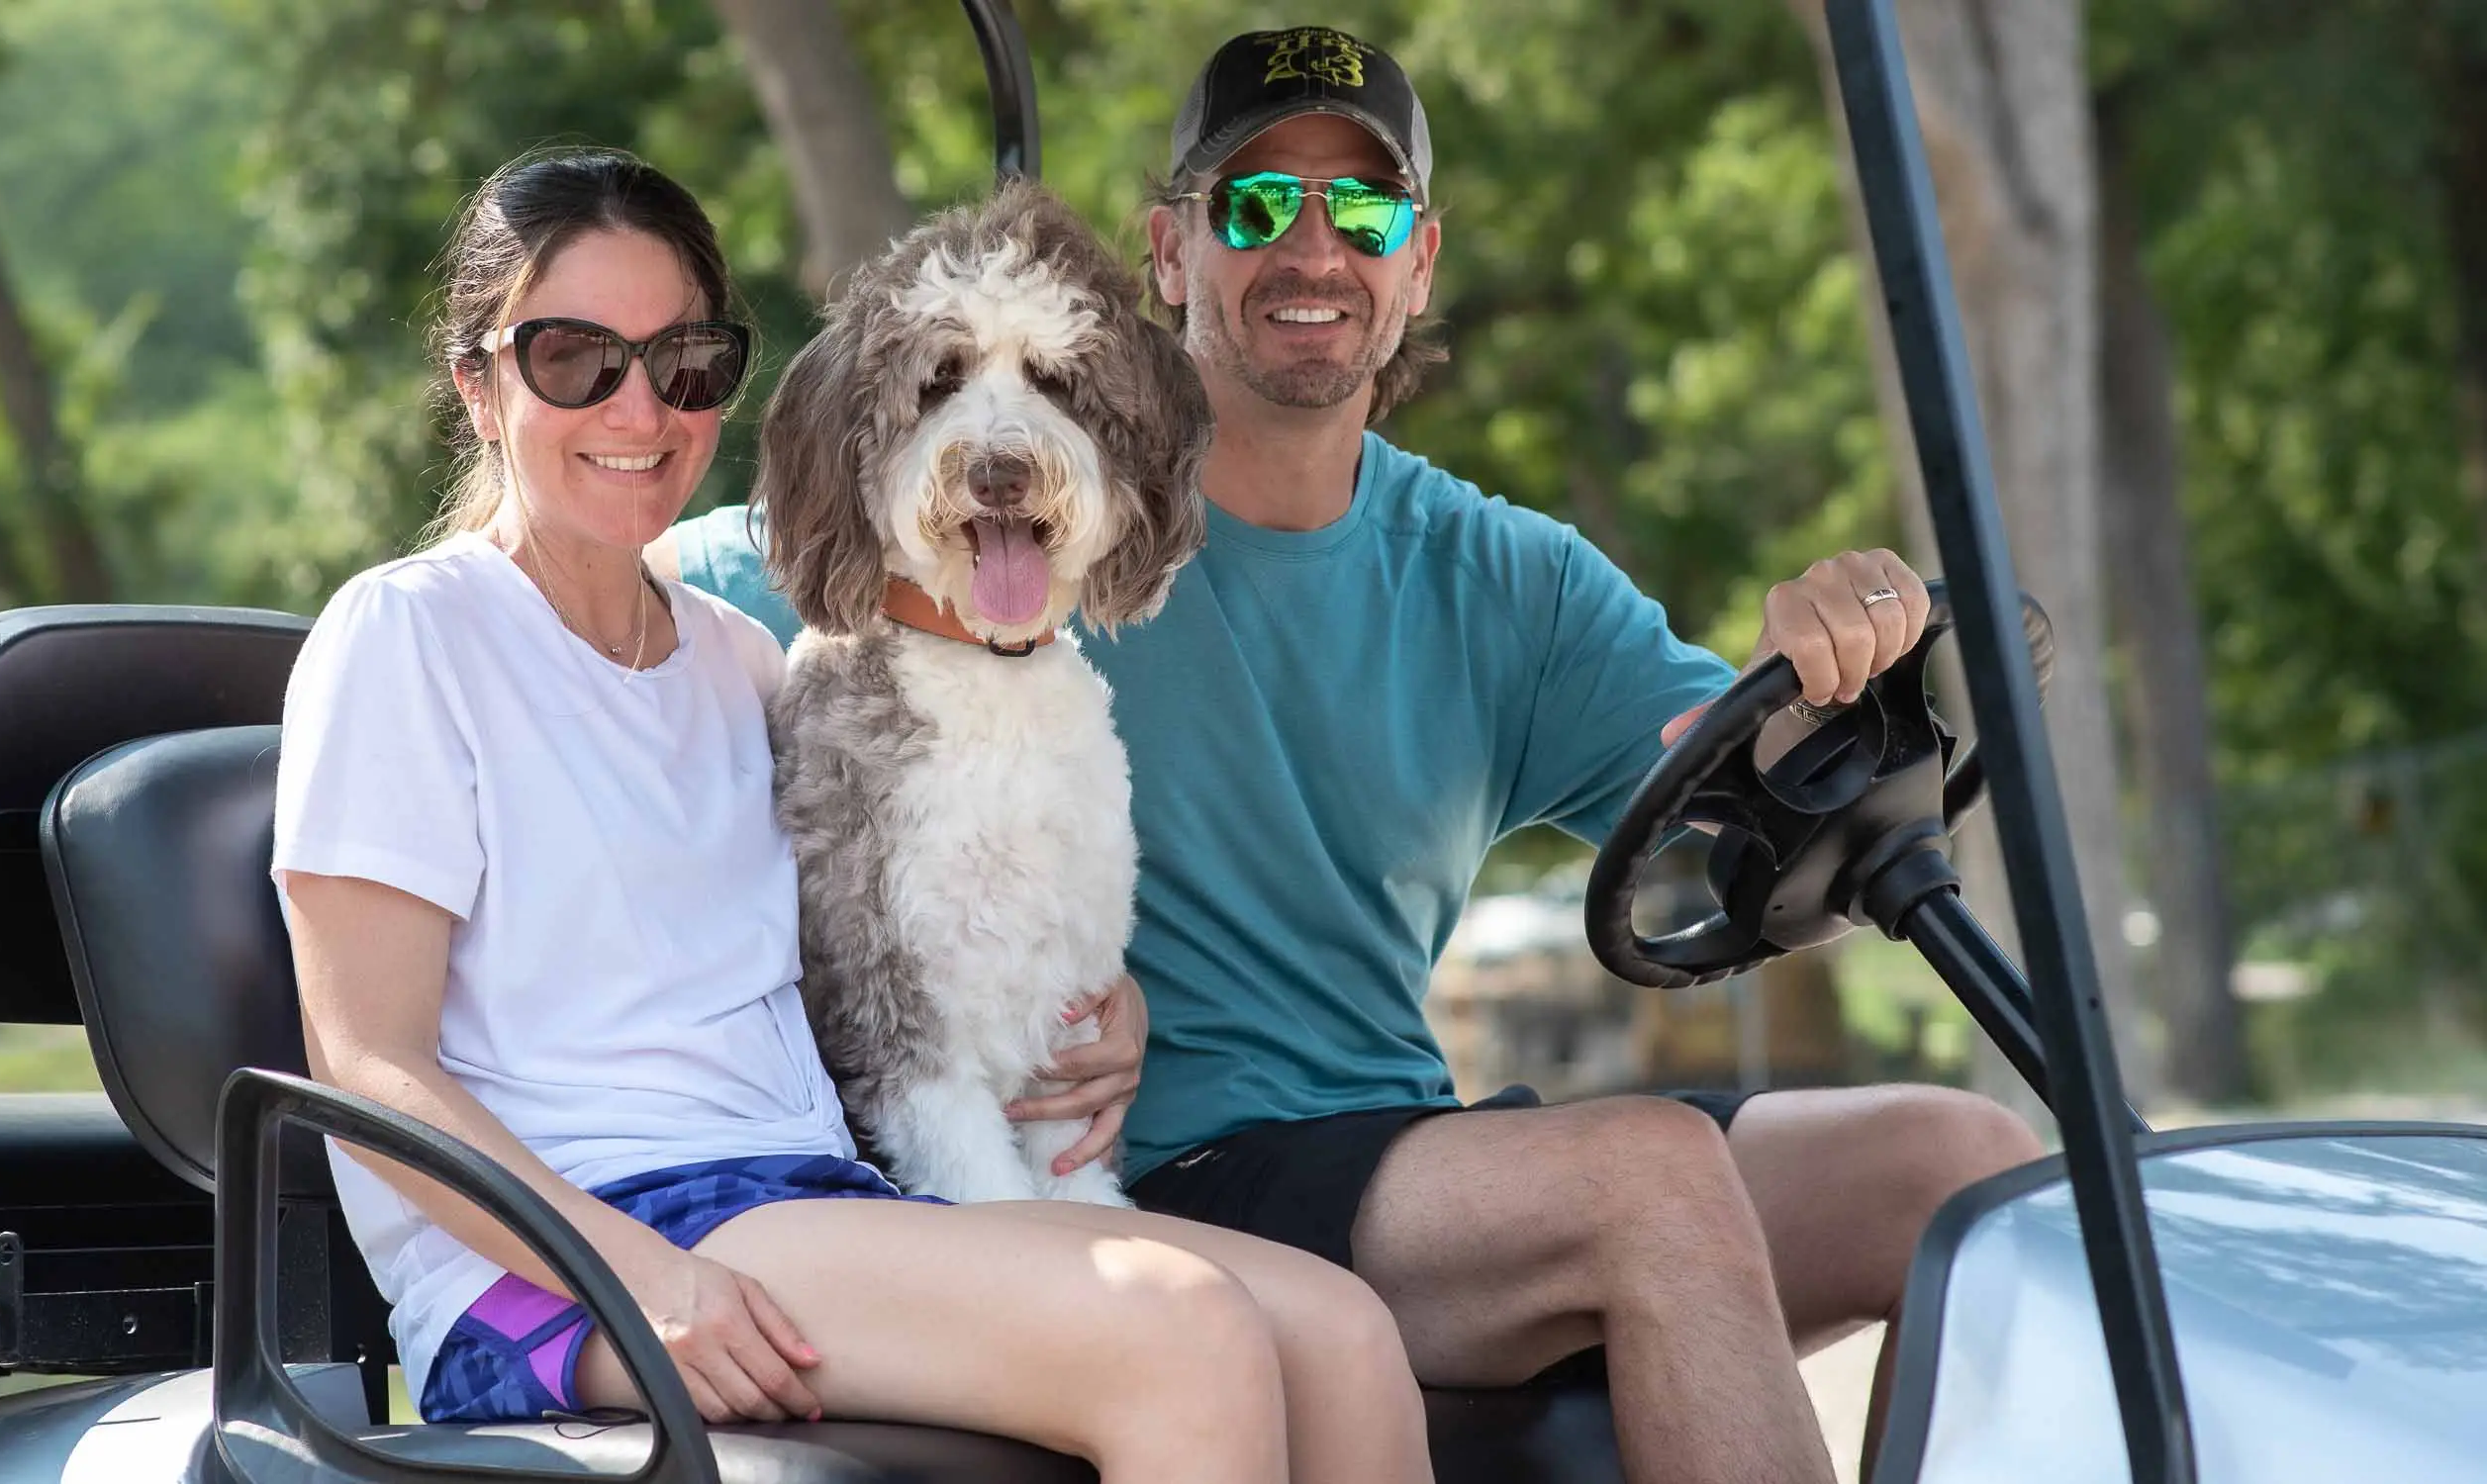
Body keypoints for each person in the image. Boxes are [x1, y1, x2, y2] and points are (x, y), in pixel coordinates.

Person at [663, 26, 2046, 1484]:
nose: (1312, 248)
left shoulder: (1508, 578)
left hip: (1416, 1158)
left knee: (1960, 1166)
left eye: (1364, 211)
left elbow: (1740, 791)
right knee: (1649, 1175)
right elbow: (651, 586)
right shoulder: (1025, 526)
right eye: (1255, 206)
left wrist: (1837, 678)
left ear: (1420, 263)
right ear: (1170, 252)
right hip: (1168, 1171)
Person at [270, 145, 1430, 1484]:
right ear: (477, 384)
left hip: (814, 1197)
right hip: (572, 1253)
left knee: (1343, 1336)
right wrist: (639, 1278)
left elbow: (871, 970)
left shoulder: (740, 661)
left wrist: (1101, 1016)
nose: (637, 409)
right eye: (575, 359)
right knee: (1181, 1334)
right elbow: (367, 1066)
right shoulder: (408, 633)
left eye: (683, 363)